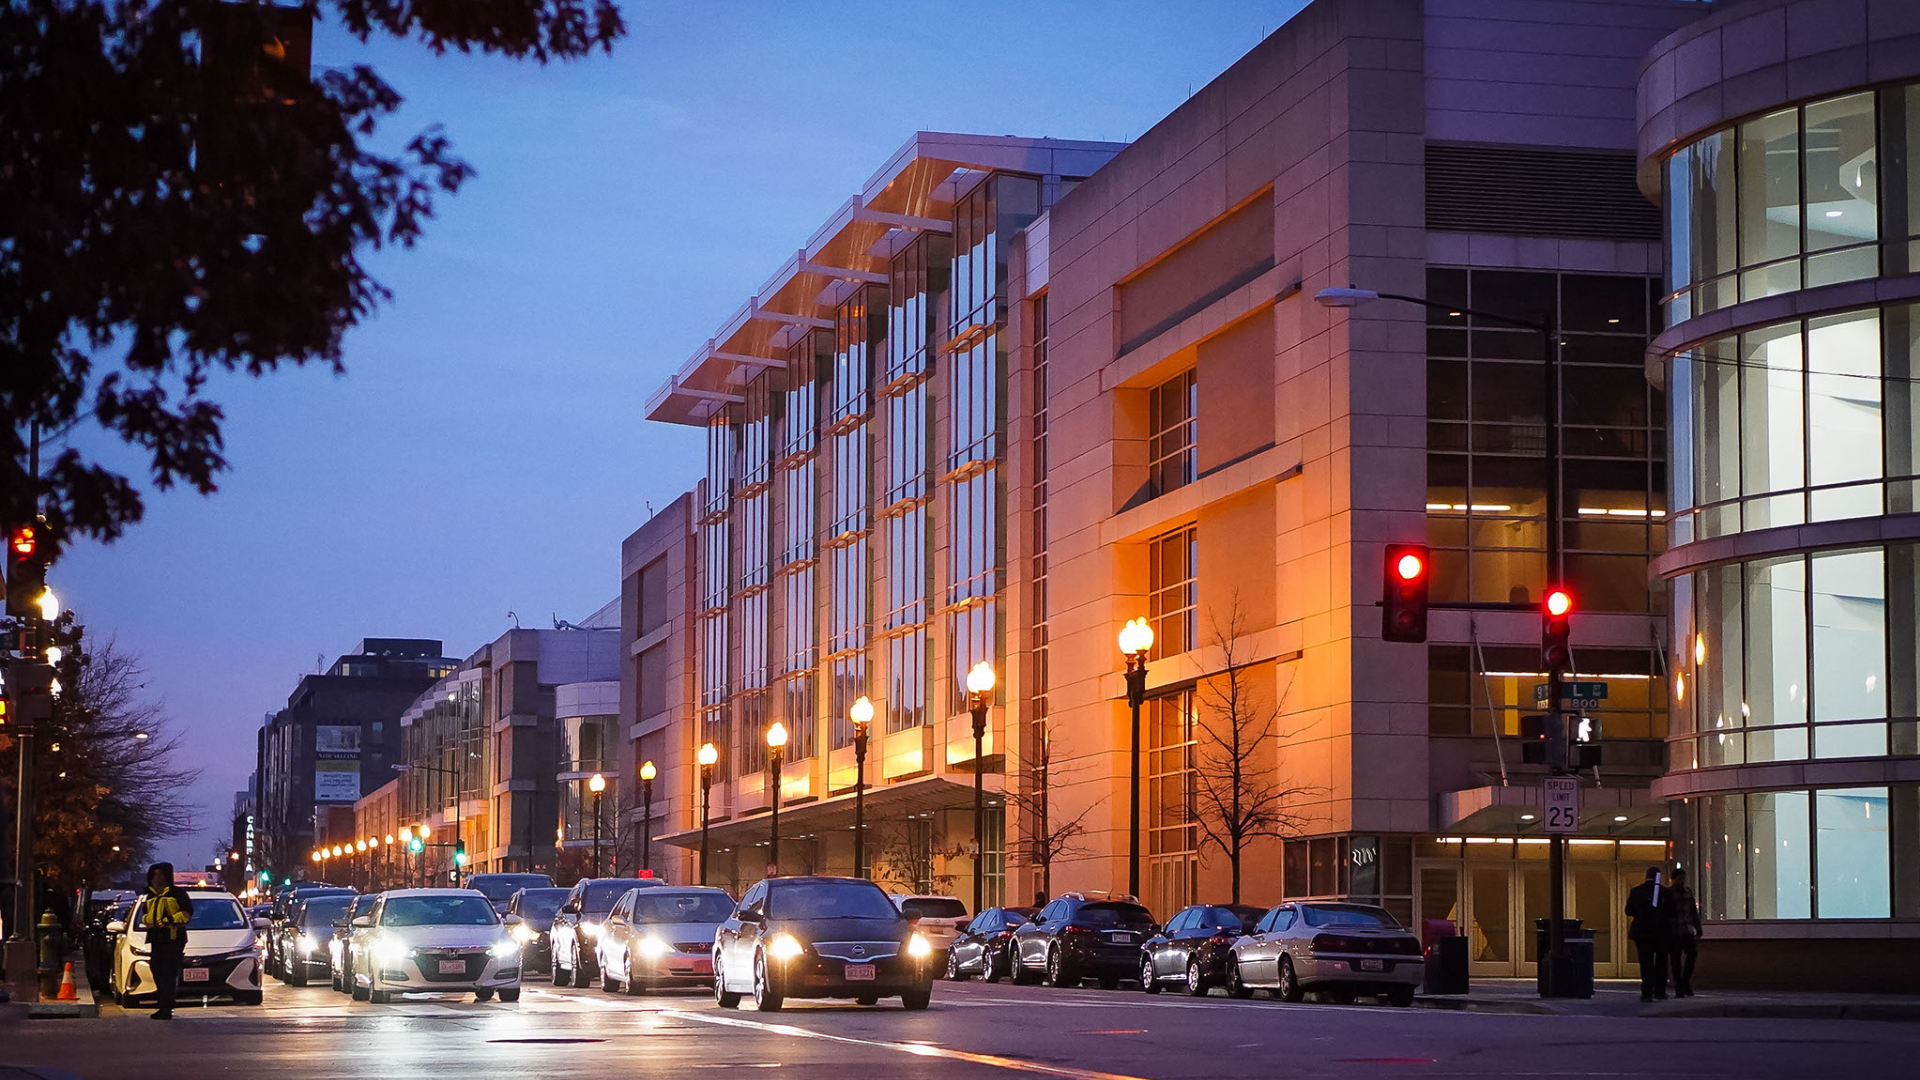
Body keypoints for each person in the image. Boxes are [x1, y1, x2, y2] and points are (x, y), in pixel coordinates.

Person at [139, 862, 194, 1019]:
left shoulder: (177, 894)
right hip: (156, 938)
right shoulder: (150, 896)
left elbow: (187, 913)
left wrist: (168, 920)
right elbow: (145, 914)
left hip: (173, 938)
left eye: (160, 874)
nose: (157, 877)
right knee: (156, 969)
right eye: (155, 874)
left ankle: (166, 1006)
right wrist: (148, 921)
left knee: (168, 972)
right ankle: (163, 1003)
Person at [1623, 866, 1674, 1002]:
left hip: (1642, 932)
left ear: (1646, 876)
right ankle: (1660, 991)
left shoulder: (1636, 891)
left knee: (1646, 963)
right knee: (1661, 962)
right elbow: (1672, 912)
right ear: (1659, 876)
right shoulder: (1665, 892)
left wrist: (1642, 914)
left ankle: (1646, 992)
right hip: (1661, 932)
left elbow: (1628, 911)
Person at [1666, 867, 1702, 997]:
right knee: (1675, 960)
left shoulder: (1688, 892)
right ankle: (1679, 986)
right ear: (1674, 879)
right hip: (1674, 931)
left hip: (1687, 930)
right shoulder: (1668, 893)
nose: (1682, 881)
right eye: (1679, 878)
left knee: (1692, 954)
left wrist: (1698, 928)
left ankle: (1684, 981)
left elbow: (1693, 911)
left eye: (1683, 878)